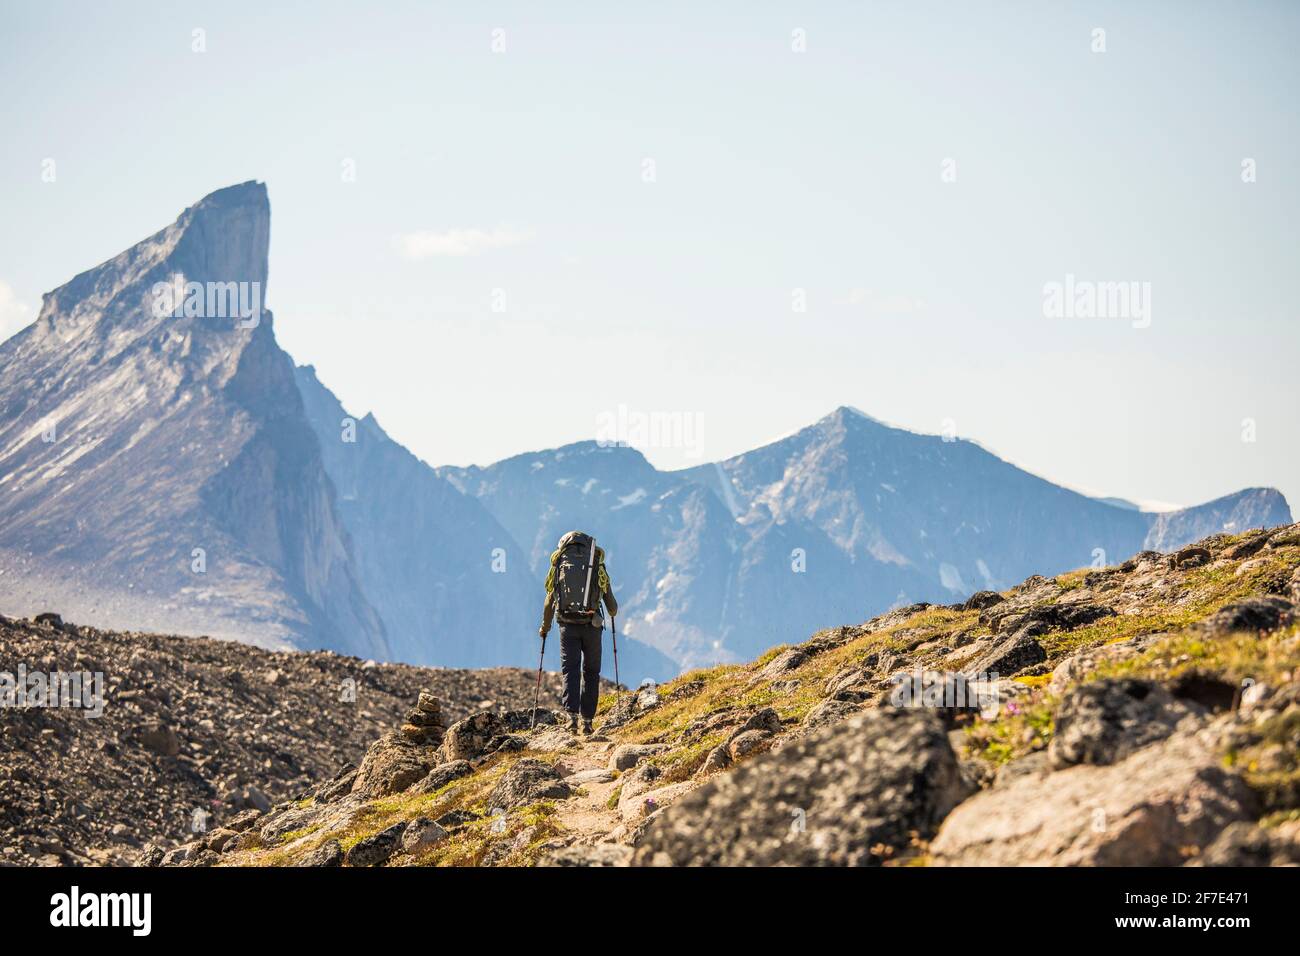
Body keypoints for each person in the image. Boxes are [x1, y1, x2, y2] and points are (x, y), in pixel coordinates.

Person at [539, 530, 617, 735]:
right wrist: (610, 609)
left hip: (567, 626)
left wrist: (544, 628)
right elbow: (612, 606)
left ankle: (571, 719)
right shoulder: (596, 561)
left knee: (570, 670)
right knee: (591, 673)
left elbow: (549, 600)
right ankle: (588, 722)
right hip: (592, 626)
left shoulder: (559, 562)